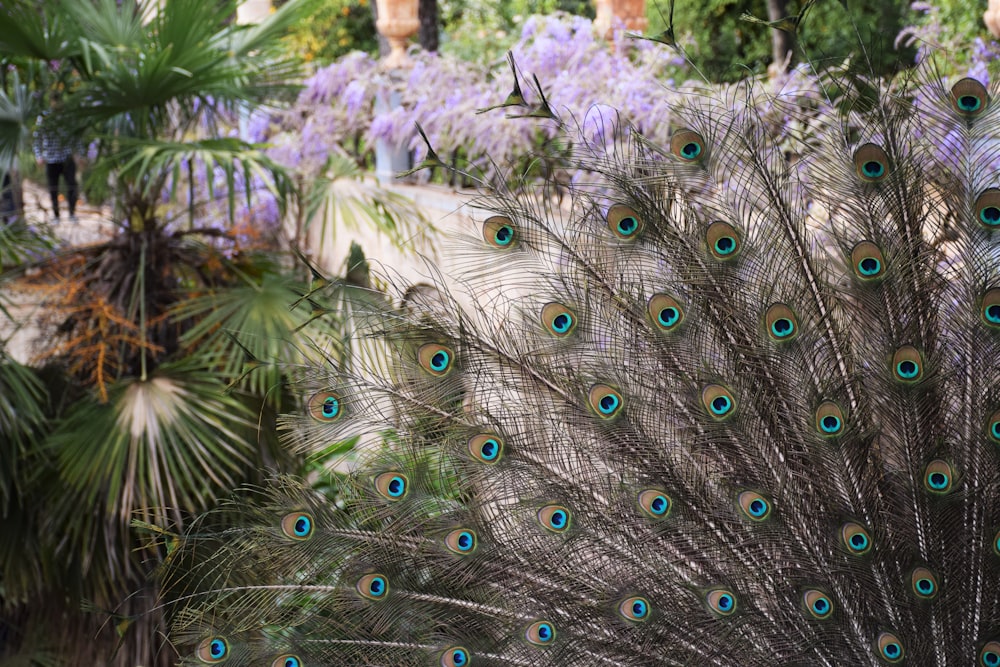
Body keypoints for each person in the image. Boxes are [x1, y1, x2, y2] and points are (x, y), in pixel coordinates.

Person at [33, 94, 80, 223]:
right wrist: (39, 156)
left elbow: (76, 135)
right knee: (53, 189)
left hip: (67, 157)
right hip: (51, 159)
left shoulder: (69, 116)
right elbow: (37, 138)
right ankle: (56, 216)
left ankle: (72, 213)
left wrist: (79, 153)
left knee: (72, 185)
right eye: (55, 101)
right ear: (51, 102)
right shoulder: (43, 117)